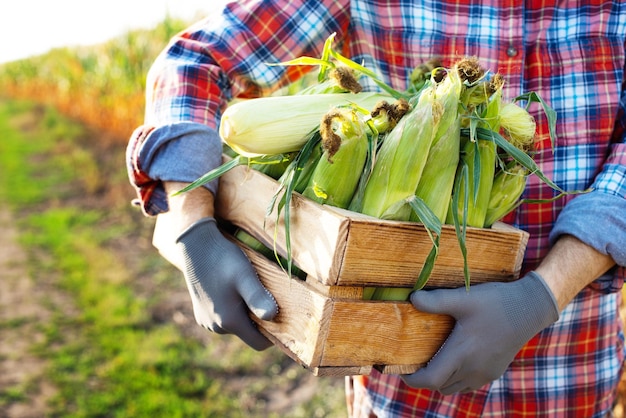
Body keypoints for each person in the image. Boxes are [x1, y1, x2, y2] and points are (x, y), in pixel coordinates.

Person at [126, 1, 626, 416]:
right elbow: (194, 63)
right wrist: (191, 222)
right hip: (396, 382)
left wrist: (542, 295)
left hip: (572, 369)